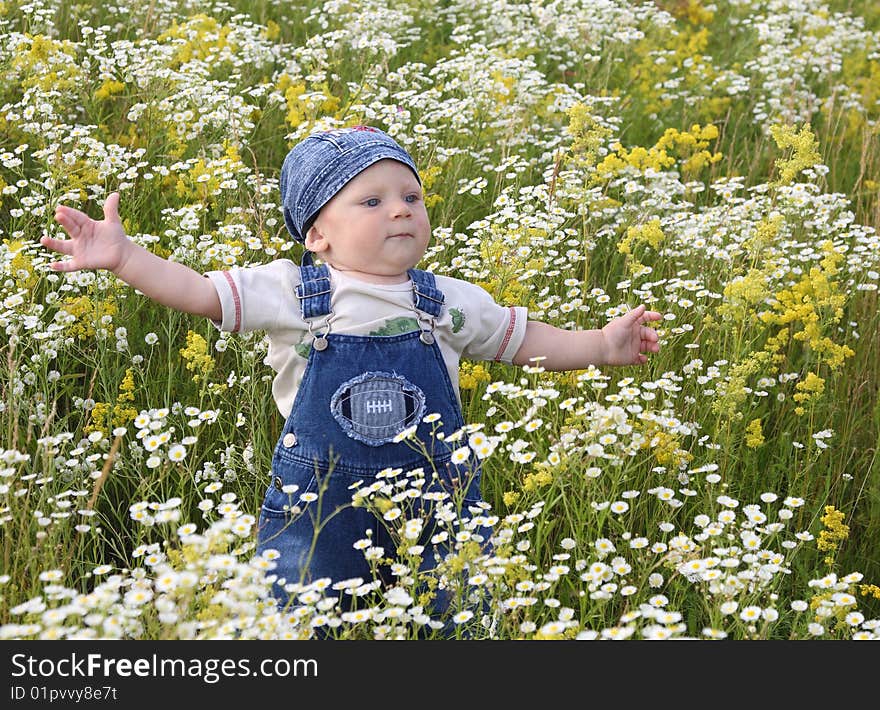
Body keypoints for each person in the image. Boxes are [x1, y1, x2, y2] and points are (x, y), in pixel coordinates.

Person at [41, 126, 662, 634]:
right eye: (371, 201)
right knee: (304, 619)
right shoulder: (292, 292)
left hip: (436, 497)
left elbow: (524, 341)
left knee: (461, 611)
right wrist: (126, 258)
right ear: (317, 234)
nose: (399, 209)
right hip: (321, 504)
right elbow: (201, 294)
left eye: (410, 198)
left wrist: (601, 346)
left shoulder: (446, 301)